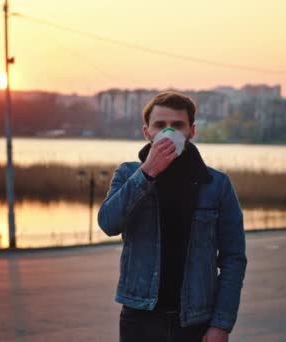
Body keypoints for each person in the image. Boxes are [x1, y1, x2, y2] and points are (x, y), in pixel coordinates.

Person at [98, 91, 247, 342]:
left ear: (191, 131)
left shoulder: (217, 185)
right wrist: (147, 173)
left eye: (177, 125)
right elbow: (108, 223)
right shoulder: (128, 174)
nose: (169, 132)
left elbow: (233, 258)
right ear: (147, 133)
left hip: (195, 320)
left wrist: (221, 324)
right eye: (160, 125)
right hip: (139, 317)